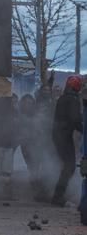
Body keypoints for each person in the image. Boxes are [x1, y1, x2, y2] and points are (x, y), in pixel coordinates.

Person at [51, 75, 83, 207]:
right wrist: (83, 129)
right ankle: (58, 196)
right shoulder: (73, 99)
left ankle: (60, 193)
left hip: (59, 134)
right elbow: (75, 118)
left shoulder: (63, 98)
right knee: (69, 166)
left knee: (67, 165)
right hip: (64, 135)